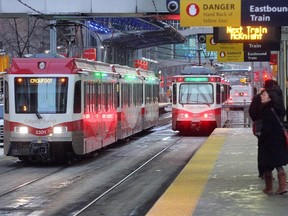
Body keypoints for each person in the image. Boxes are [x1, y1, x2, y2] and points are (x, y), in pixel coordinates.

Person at [249, 79, 284, 179]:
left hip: (262, 129)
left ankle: (265, 173)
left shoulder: (258, 98)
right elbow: (283, 112)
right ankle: (275, 177)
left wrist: (257, 121)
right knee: (274, 151)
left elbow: (252, 112)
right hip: (276, 129)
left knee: (263, 151)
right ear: (274, 86)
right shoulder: (278, 98)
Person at [258, 89, 288, 195]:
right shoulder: (276, 108)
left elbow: (266, 128)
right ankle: (282, 186)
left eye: (264, 95)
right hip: (278, 140)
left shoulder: (266, 110)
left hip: (268, 142)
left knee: (266, 164)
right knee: (278, 164)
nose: (261, 96)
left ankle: (269, 188)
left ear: (270, 97)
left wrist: (261, 139)